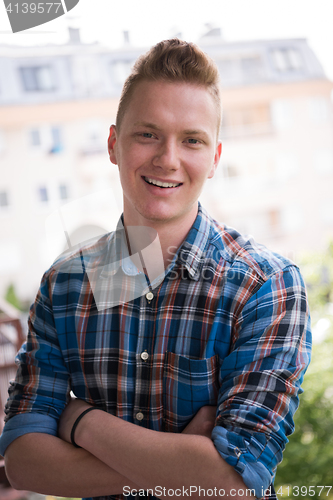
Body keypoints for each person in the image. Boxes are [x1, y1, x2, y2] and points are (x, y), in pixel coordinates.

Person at [0, 39, 311, 500]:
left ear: (215, 157)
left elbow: (235, 481)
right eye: (148, 134)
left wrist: (80, 421)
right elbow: (24, 463)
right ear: (113, 144)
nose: (168, 159)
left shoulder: (266, 287)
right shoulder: (64, 285)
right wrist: (189, 461)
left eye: (192, 140)